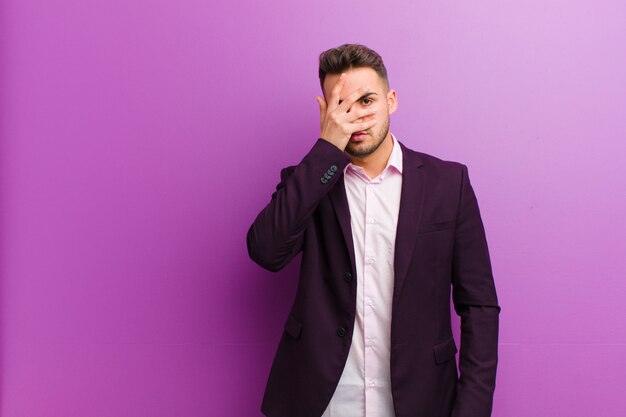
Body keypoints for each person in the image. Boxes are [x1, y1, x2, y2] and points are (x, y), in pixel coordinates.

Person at [246, 43, 501, 417]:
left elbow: (479, 304)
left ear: (391, 100)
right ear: (327, 113)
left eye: (367, 101)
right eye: (342, 107)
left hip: (420, 400)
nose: (357, 118)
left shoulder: (449, 183)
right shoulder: (309, 181)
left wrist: (472, 410)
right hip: (322, 401)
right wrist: (326, 149)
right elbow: (266, 251)